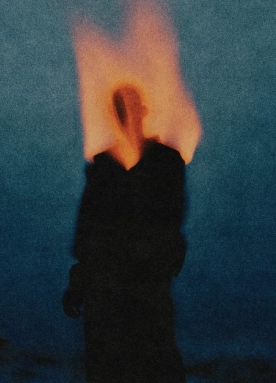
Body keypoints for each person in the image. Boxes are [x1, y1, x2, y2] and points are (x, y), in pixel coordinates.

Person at [63, 85, 187, 383]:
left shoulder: (165, 161)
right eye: (121, 108)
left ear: (143, 110)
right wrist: (79, 281)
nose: (127, 115)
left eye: (131, 106)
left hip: (145, 284)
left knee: (154, 361)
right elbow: (88, 228)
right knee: (108, 365)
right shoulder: (104, 167)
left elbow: (170, 218)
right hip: (106, 287)